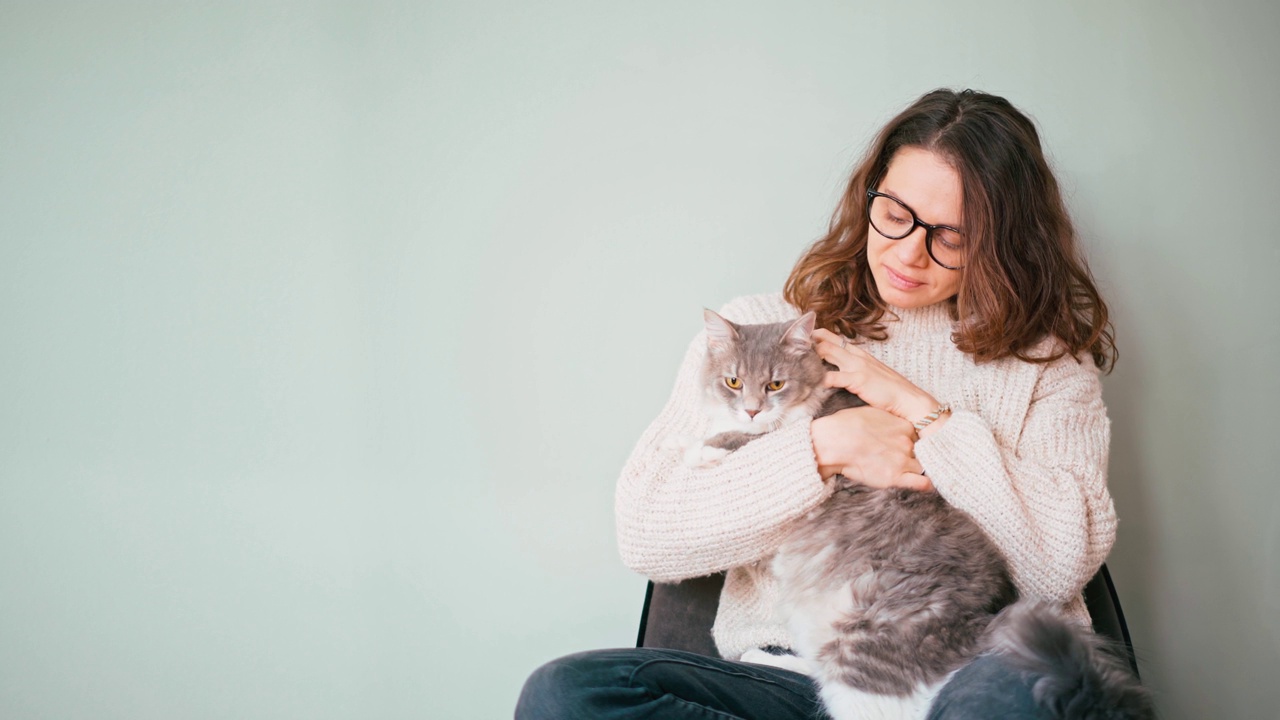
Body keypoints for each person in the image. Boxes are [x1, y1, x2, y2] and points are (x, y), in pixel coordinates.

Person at [516, 88, 1118, 719]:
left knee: (1028, 694)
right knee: (566, 695)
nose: (910, 252)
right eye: (896, 214)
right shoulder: (758, 330)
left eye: (951, 235)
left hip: (960, 670)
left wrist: (921, 412)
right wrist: (823, 451)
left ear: (1001, 240)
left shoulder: (1049, 368)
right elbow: (646, 534)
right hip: (789, 678)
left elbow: (1054, 570)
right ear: (868, 198)